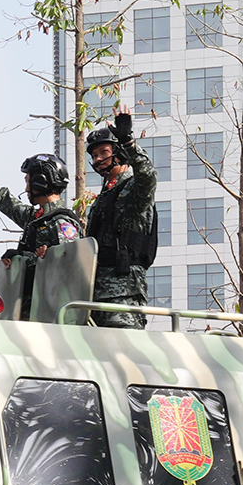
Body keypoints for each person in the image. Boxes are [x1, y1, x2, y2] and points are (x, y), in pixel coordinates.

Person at [82, 110, 158, 328]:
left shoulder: (135, 189)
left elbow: (147, 174)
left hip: (123, 295)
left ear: (119, 152)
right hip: (94, 296)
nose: (98, 160)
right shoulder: (102, 198)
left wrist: (128, 141)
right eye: (94, 156)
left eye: (103, 152)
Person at [0, 151, 83, 262]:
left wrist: (26, 257)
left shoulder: (61, 222)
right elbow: (9, 203)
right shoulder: (38, 218)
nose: (26, 189)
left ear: (40, 182)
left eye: (28, 182)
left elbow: (70, 264)